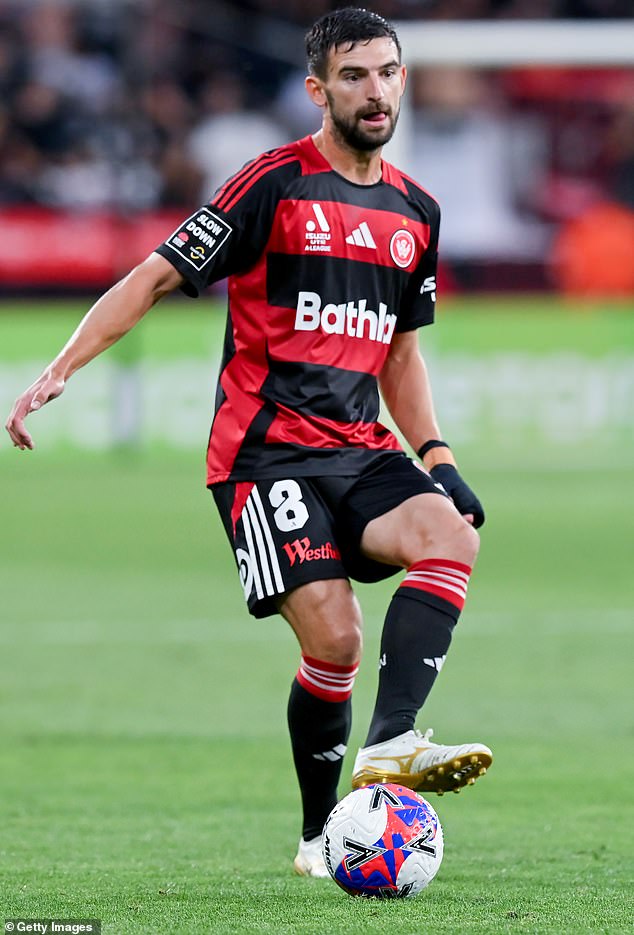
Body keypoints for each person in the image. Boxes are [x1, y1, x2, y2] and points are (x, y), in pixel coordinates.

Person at [6, 8, 493, 878]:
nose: (375, 91)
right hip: (264, 457)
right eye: (353, 76)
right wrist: (62, 366)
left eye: (386, 73)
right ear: (318, 90)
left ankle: (390, 742)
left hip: (361, 447)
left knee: (451, 536)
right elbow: (155, 274)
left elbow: (400, 354)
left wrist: (439, 458)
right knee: (336, 641)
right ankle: (318, 835)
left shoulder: (417, 210)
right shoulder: (272, 183)